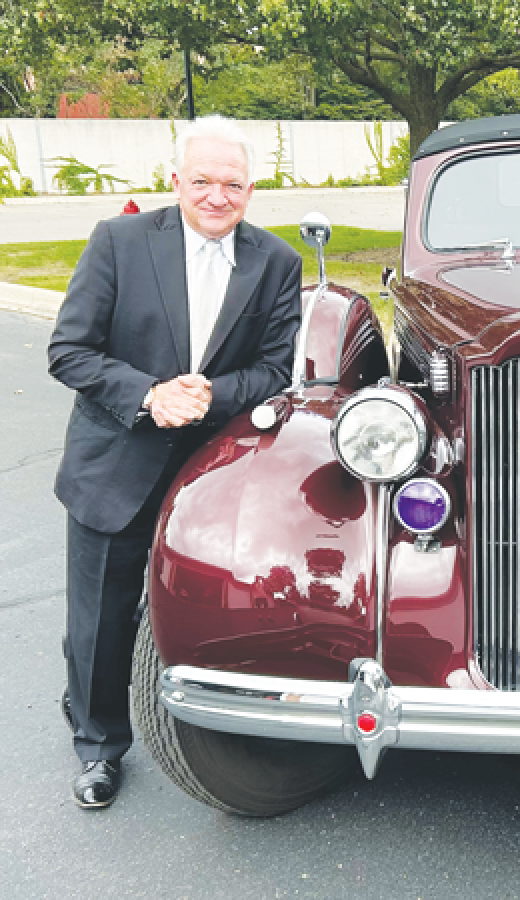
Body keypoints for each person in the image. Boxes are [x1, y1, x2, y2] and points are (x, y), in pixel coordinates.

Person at [48, 115, 303, 809]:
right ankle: (99, 745)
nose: (217, 197)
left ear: (251, 189)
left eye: (233, 185)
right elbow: (68, 351)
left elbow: (275, 370)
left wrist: (212, 393)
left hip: (215, 476)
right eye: (202, 182)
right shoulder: (119, 242)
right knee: (99, 619)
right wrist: (150, 396)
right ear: (175, 182)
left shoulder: (276, 262)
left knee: (207, 606)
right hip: (115, 463)